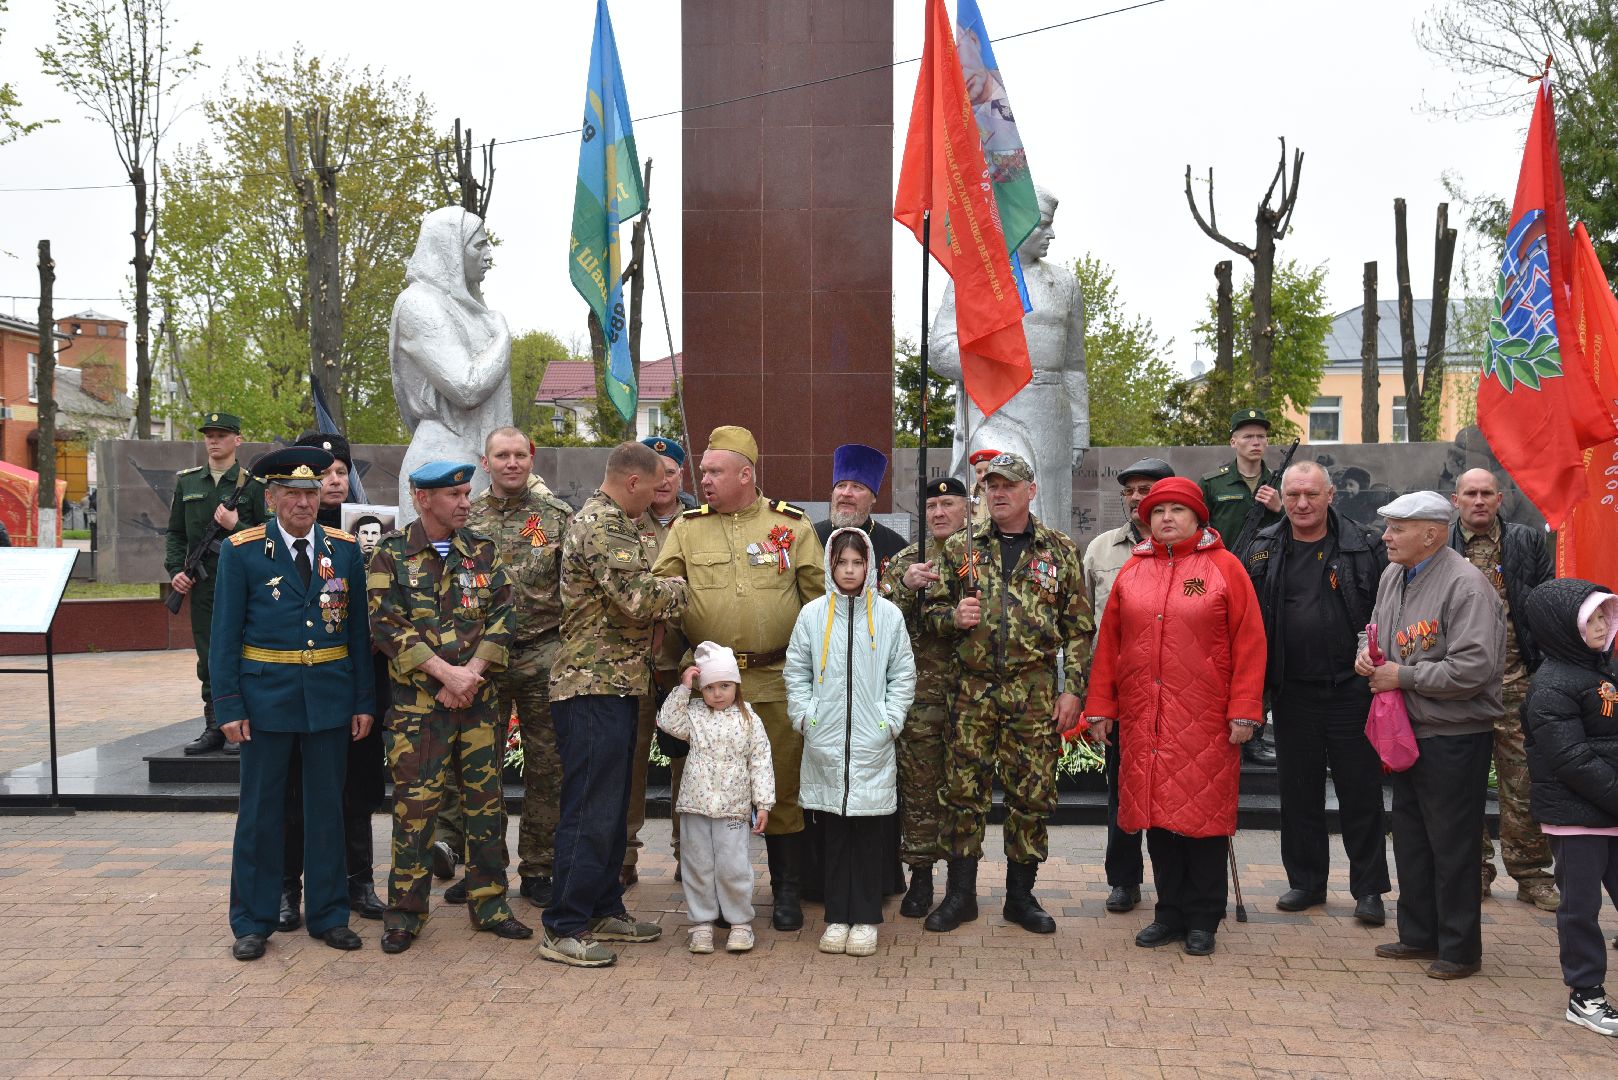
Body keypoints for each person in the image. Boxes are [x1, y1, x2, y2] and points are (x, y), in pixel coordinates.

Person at [652, 426, 826, 932]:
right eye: (703, 471)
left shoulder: (790, 527)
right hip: (710, 695)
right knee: (714, 796)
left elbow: (819, 603)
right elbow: (665, 599)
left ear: (745, 475)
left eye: (714, 471)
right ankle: (721, 900)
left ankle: (787, 890)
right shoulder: (687, 528)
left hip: (775, 680)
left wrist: (819, 673)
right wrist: (673, 670)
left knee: (782, 789)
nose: (701, 479)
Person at [1085, 476, 1267, 957]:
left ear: (1197, 518)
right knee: (1158, 817)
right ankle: (1169, 912)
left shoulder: (1223, 567)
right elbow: (1110, 645)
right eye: (1158, 510)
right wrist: (1101, 705)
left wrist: (1246, 709)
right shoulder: (1133, 571)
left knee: (1203, 818)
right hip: (1146, 716)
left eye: (1177, 511)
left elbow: (1250, 643)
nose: (1166, 518)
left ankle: (1204, 916)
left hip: (1205, 718)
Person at [208, 445, 373, 961]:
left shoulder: (343, 549)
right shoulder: (243, 550)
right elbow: (223, 637)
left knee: (327, 809)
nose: (304, 503)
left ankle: (329, 915)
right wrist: (229, 706)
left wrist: (363, 700)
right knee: (261, 812)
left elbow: (355, 631)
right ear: (274, 497)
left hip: (328, 698)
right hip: (266, 700)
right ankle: (253, 920)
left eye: (310, 492)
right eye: (293, 494)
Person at [366, 460, 532, 954]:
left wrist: (471, 675)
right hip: (418, 711)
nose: (465, 502)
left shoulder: (482, 551)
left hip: (477, 705)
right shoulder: (390, 555)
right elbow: (387, 626)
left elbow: (505, 615)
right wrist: (445, 674)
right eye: (454, 495)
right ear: (422, 498)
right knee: (415, 810)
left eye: (466, 493)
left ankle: (490, 903)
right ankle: (405, 914)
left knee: (487, 807)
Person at [923, 451, 1092, 935]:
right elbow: (930, 612)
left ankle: (1021, 896)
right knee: (963, 794)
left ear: (1030, 491)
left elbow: (1079, 629)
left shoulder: (1058, 550)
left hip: (1033, 691)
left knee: (1031, 795)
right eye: (991, 486)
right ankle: (960, 896)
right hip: (973, 692)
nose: (997, 493)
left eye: (1009, 486)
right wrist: (952, 617)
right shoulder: (960, 547)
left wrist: (1073, 691)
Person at [543, 441, 689, 968]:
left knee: (609, 805)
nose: (657, 497)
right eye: (653, 487)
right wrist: (687, 586)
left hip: (619, 683)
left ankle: (602, 906)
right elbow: (639, 600)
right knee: (589, 808)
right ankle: (563, 924)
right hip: (591, 687)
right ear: (633, 482)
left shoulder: (616, 522)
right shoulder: (604, 526)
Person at [1356, 491, 1504, 981]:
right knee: (1413, 838)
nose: (1386, 536)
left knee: (1453, 842)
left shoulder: (1467, 585)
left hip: (1454, 734)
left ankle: (1461, 949)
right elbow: (1375, 629)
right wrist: (1366, 654)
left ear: (1432, 534)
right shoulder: (1393, 574)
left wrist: (1404, 677)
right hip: (1408, 730)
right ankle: (1419, 933)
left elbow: (1474, 668)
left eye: (1397, 528)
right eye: (1389, 527)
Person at [426, 427, 573, 910]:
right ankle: (483, 870)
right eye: (501, 455)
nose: (512, 463)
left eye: (519, 455)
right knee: (477, 770)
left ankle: (538, 868)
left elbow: (573, 588)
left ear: (531, 460)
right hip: (477, 663)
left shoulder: (557, 517)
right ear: (485, 462)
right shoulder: (465, 516)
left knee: (547, 767)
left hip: (540, 654)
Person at [1245, 461, 1390, 925]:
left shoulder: (1365, 544)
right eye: (1293, 496)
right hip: (1292, 691)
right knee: (1298, 792)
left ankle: (1369, 890)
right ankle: (1306, 882)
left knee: (1360, 792)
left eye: (1311, 495)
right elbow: (1248, 619)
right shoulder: (1264, 546)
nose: (1302, 504)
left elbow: (1389, 610)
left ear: (1330, 495)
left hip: (1352, 689)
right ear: (1281, 498)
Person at [786, 528, 916, 957]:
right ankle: (837, 916)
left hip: (871, 744)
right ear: (830, 565)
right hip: (825, 745)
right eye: (841, 562)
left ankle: (865, 918)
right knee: (835, 834)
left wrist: (889, 721)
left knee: (869, 833)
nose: (848, 570)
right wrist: (806, 717)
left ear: (869, 565)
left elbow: (902, 676)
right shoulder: (812, 616)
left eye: (856, 563)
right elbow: (797, 673)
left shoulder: (889, 617)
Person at [278, 431, 386, 927]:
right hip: (299, 686)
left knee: (359, 784)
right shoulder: (278, 538)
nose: (334, 480)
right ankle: (287, 887)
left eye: (341, 471)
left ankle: (358, 881)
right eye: (324, 473)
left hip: (357, 678)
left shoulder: (371, 531)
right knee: (294, 791)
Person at [932, 185, 1087, 532]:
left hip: (1051, 412)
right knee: (999, 499)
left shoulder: (1065, 283)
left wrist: (1080, 429)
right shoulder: (971, 278)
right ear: (1016, 222)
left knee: (1048, 515)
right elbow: (941, 351)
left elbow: (1074, 367)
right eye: (1043, 225)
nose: (1052, 234)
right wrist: (994, 361)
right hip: (996, 407)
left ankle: (1044, 583)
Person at [1449, 467, 1559, 911]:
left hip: (1517, 681)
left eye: (1486, 494)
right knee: (1463, 782)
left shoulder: (1525, 541)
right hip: (1460, 688)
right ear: (1455, 499)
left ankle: (1532, 873)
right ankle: (1474, 870)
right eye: (1469, 493)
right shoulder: (1441, 542)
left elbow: (1547, 602)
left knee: (1524, 783)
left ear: (1500, 499)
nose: (1478, 500)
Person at [1520, 580, 1618, 1036]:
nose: (1603, 626)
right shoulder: (1552, 685)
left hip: (1610, 812)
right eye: (1592, 619)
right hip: (1577, 819)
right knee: (1580, 909)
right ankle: (1586, 996)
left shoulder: (1603, 672)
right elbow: (1570, 759)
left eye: (1605, 617)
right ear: (1564, 628)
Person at [811, 442, 907, 898]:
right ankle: (820, 883)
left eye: (857, 487)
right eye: (841, 486)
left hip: (872, 703)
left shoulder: (895, 549)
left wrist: (891, 715)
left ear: (873, 497)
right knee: (822, 790)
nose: (846, 494)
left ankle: (880, 880)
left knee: (876, 793)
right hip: (824, 696)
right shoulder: (809, 540)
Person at [1082, 456, 1173, 915]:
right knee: (1122, 787)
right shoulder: (1101, 551)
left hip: (1174, 690)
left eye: (1146, 490)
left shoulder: (1191, 550)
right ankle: (1123, 879)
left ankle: (1175, 883)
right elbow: (1084, 627)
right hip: (1119, 689)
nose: (1137, 498)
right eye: (1130, 491)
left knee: (1171, 787)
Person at [879, 476, 970, 918]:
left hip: (972, 696)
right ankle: (919, 877)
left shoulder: (983, 556)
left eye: (948, 504)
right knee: (918, 790)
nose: (938, 512)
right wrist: (903, 588)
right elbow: (875, 620)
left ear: (967, 509)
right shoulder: (905, 562)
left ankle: (960, 884)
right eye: (932, 505)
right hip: (920, 698)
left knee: (963, 791)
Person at [389, 207, 513, 526]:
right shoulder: (418, 303)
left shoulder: (468, 308)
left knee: (478, 570)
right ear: (450, 250)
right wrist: (501, 336)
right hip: (441, 460)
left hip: (474, 456)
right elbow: (466, 387)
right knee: (431, 570)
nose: (488, 255)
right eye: (479, 245)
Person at [657, 641, 774, 955]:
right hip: (695, 807)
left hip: (733, 809)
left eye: (725, 686)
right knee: (698, 866)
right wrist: (683, 689)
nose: (718, 693)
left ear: (736, 685)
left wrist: (763, 803)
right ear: (701, 689)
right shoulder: (693, 713)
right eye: (709, 687)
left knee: (733, 867)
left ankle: (739, 924)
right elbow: (667, 722)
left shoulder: (749, 718)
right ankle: (701, 924)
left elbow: (761, 760)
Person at [165, 411, 267, 756]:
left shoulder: (253, 487)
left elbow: (269, 538)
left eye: (222, 435)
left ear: (237, 440)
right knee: (208, 655)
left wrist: (235, 526)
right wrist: (176, 570)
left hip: (245, 584)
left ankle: (240, 724)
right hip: (204, 584)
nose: (213, 440)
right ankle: (214, 725)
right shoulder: (189, 483)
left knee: (243, 651)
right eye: (209, 434)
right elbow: (176, 533)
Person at [624, 435, 697, 888]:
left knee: (686, 762)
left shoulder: (699, 523)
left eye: (671, 472)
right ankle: (625, 854)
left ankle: (686, 853)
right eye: (656, 471)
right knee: (629, 760)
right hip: (634, 664)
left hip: (682, 662)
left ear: (681, 476)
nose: (664, 480)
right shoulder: (624, 523)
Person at [1200, 408, 1283, 766]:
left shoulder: (1281, 484)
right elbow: (1199, 530)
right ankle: (1213, 725)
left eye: (1261, 436)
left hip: (1267, 583)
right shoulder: (1213, 484)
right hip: (1220, 581)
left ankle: (1256, 732)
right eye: (1247, 436)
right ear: (1233, 441)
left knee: (1258, 657)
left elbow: (1303, 528)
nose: (1255, 442)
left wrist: (1280, 509)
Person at [967, 448, 1001, 526]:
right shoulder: (967, 495)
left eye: (987, 470)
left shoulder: (1005, 494)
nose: (983, 476)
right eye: (979, 472)